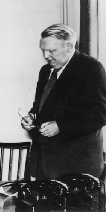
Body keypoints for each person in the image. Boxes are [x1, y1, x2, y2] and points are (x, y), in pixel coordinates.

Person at [21, 24, 106, 180]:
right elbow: (39, 107)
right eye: (43, 50)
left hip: (77, 166)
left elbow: (100, 114)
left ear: (69, 46)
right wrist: (32, 118)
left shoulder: (91, 68)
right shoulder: (46, 71)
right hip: (44, 163)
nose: (46, 56)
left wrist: (61, 126)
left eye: (52, 51)